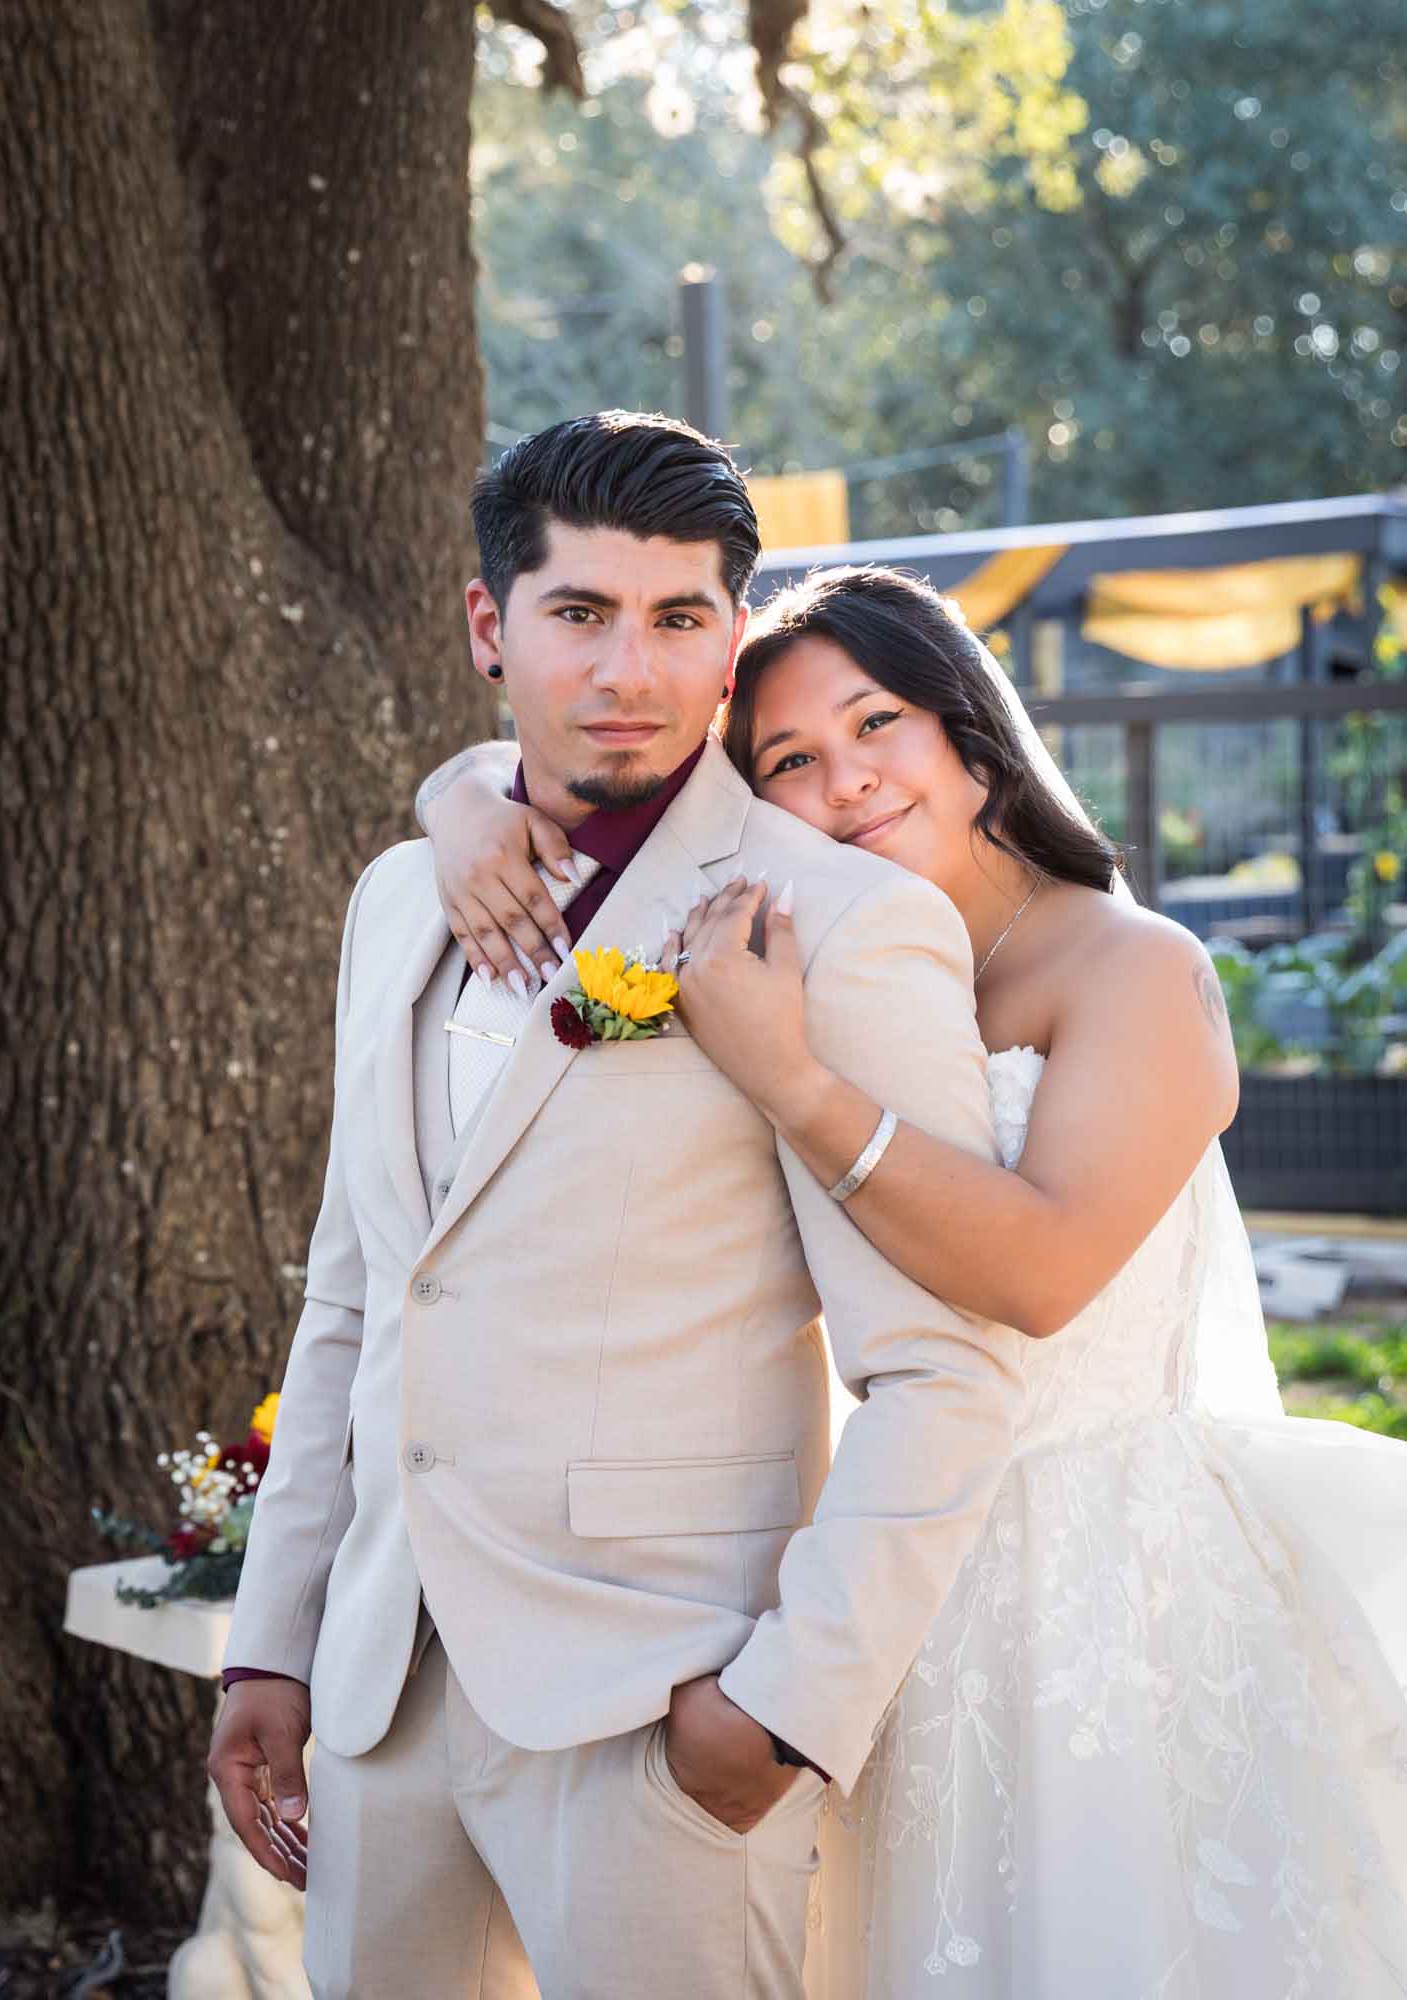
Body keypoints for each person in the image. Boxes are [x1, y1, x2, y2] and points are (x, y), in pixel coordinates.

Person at [426, 562, 1407, 1997]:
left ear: (970, 728)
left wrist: (794, 1079)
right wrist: (460, 802)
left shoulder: (1130, 967)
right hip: (880, 1572)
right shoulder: (823, 949)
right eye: (791, 763)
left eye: (879, 724)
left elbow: (1043, 1272)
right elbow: (585, 767)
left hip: (1102, 1583)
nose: (849, 782)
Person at [208, 417, 1026, 2000]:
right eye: (579, 613)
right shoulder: (398, 899)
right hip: (380, 1698)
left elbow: (946, 1364)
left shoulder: (845, 926)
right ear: (486, 625)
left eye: (678, 620)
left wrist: (785, 1704)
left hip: (664, 1708)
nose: (629, 672)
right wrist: (275, 1638)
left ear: (734, 637)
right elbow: (358, 1293)